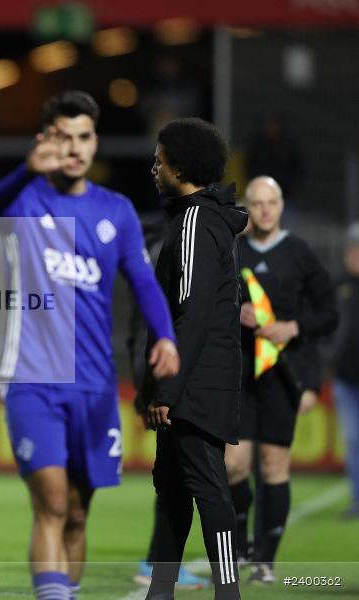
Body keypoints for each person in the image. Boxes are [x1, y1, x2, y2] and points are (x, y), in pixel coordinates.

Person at [0, 91, 179, 600]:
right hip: (32, 380)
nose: (75, 147)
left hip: (93, 384)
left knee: (78, 510)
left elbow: (144, 281)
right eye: (63, 136)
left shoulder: (116, 210)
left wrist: (166, 337)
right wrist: (25, 170)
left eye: (83, 136)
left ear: (94, 142)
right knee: (51, 503)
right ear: (46, 140)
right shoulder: (25, 199)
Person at [144, 117, 247, 600]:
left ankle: (228, 591)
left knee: (206, 487)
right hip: (202, 379)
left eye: (160, 161)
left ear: (180, 167)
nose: (154, 169)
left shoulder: (193, 221)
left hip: (194, 384)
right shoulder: (210, 220)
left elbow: (190, 314)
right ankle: (160, 590)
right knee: (172, 491)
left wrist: (167, 389)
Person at [226, 176, 338, 583]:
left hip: (282, 376)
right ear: (247, 209)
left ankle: (265, 562)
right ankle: (237, 549)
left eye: (271, 202)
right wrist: (234, 313)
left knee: (275, 465)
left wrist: (293, 328)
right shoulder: (232, 252)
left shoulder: (299, 253)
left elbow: (330, 315)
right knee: (234, 465)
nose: (264, 210)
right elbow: (206, 306)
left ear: (282, 204)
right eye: (256, 203)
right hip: (239, 374)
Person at [127, 216, 210, 592]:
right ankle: (157, 562)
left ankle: (159, 560)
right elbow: (145, 334)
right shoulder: (167, 261)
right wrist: (152, 391)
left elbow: (136, 334)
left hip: (157, 379)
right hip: (165, 382)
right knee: (176, 477)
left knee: (174, 476)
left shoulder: (146, 265)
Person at [333, 222, 359, 518]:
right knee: (352, 441)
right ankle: (357, 499)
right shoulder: (337, 286)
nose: (355, 255)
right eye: (352, 249)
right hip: (344, 378)